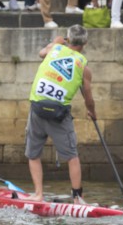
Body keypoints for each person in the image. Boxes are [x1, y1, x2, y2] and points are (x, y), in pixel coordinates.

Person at [26, 25, 97, 203]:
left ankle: (38, 194)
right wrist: (92, 112)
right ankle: (77, 199)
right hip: (59, 114)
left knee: (33, 154)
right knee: (72, 156)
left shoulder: (54, 49)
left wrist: (55, 42)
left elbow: (41, 53)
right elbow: (88, 98)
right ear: (85, 43)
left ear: (68, 39)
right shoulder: (84, 68)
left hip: (38, 108)